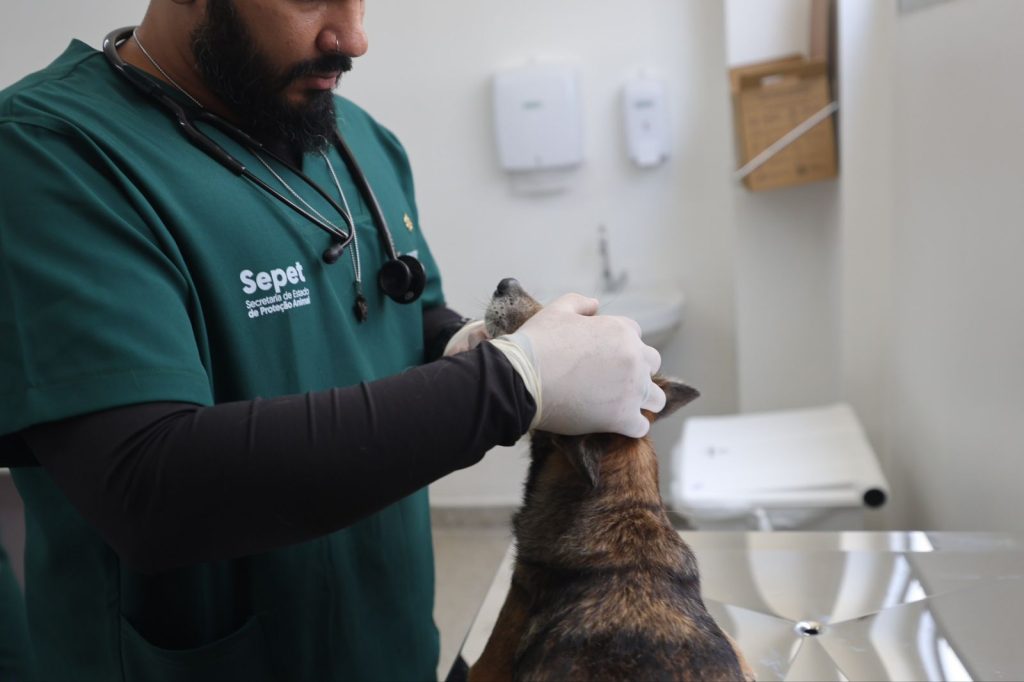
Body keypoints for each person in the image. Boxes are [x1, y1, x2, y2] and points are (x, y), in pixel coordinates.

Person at [0, 1, 665, 680]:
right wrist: (511, 382)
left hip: (393, 649)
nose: (353, 38)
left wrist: (467, 344)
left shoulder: (359, 142)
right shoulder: (51, 154)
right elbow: (148, 488)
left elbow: (403, 313)